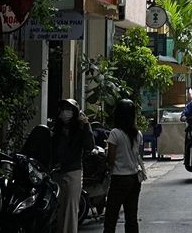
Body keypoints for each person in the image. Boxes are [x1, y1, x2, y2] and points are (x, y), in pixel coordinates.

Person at [51, 99, 94, 233]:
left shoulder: (81, 128)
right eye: (63, 109)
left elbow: (89, 146)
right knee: (57, 207)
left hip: (73, 171)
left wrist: (86, 125)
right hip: (57, 172)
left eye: (68, 109)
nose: (65, 112)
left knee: (71, 208)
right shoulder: (56, 129)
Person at [103, 99, 143, 233]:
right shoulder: (137, 134)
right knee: (131, 217)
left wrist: (107, 165)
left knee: (111, 216)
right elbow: (138, 155)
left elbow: (111, 158)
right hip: (134, 178)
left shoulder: (115, 133)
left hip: (119, 178)